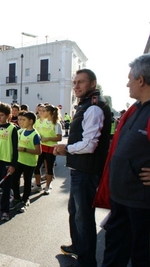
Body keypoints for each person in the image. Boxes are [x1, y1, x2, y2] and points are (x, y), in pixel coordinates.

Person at [53, 69, 111, 267]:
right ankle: (78, 247)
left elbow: (90, 144)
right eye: (74, 82)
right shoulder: (85, 105)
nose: (76, 86)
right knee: (75, 213)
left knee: (83, 219)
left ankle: (87, 261)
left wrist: (66, 148)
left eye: (81, 82)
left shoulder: (93, 108)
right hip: (79, 170)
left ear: (92, 84)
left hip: (86, 172)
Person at [100, 54, 150, 267]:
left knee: (142, 256)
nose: (127, 83)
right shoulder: (135, 109)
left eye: (130, 78)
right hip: (121, 198)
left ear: (141, 80)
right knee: (114, 250)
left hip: (141, 203)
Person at [9, 111, 41, 213]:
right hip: (19, 161)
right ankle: (17, 198)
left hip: (29, 162)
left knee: (27, 182)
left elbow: (39, 151)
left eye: (24, 120)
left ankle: (25, 200)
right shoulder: (21, 132)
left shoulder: (35, 134)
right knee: (14, 179)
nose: (21, 122)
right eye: (20, 120)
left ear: (31, 121)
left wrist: (25, 150)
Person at [32, 105, 62, 195]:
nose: (42, 112)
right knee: (36, 167)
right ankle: (37, 185)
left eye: (44, 111)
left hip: (50, 149)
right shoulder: (43, 122)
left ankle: (48, 186)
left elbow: (59, 138)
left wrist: (48, 138)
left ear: (49, 112)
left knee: (49, 168)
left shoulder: (57, 124)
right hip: (41, 148)